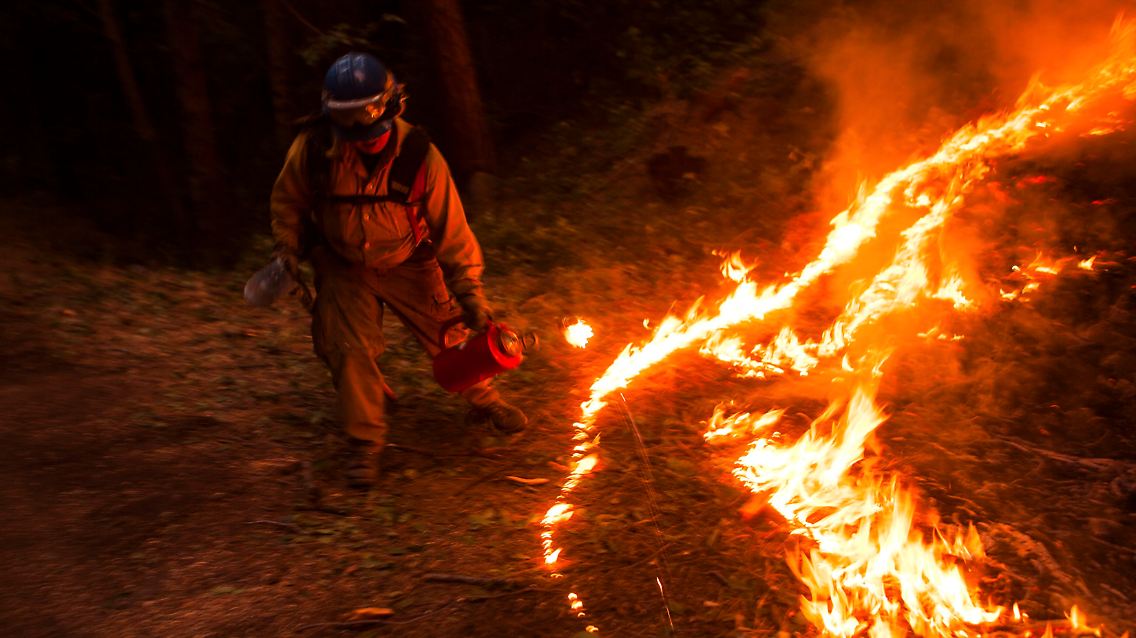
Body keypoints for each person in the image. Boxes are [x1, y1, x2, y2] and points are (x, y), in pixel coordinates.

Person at [269, 52, 527, 489]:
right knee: (349, 349)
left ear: (392, 105)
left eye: (369, 116)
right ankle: (364, 443)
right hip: (343, 264)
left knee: (449, 332)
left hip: (410, 260)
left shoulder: (419, 156)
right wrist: (288, 247)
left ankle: (484, 401)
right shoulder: (314, 150)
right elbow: (287, 202)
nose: (362, 133)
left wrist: (469, 291)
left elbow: (453, 229)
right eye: (349, 120)